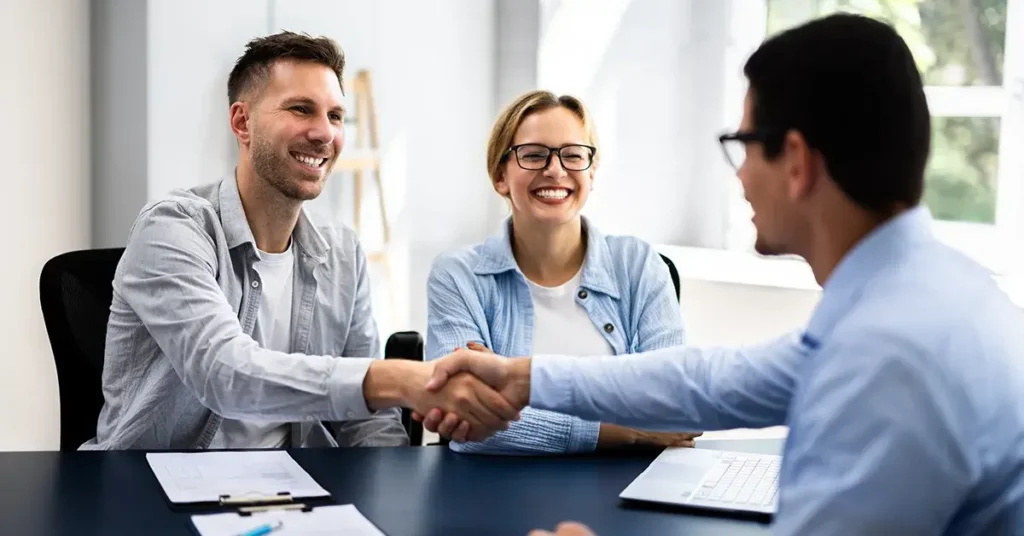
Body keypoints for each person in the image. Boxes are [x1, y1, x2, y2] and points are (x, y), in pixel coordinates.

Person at [424, 14, 1024, 535]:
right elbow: (712, 381)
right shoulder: (929, 294)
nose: (737, 177)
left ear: (795, 163)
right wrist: (520, 377)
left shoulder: (891, 355)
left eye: (743, 144)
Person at [82, 31, 518, 450]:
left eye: (334, 116)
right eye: (300, 109)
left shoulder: (343, 252)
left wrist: (392, 497)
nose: (325, 133)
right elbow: (224, 374)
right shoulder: (173, 228)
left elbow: (367, 423)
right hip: (155, 492)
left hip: (296, 495)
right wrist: (402, 380)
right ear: (242, 122)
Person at [424, 90, 701, 453]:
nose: (555, 170)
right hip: (494, 494)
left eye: (573, 155)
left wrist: (510, 406)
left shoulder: (639, 264)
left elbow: (671, 404)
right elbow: (468, 420)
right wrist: (627, 430)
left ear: (592, 171)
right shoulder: (458, 276)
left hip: (627, 491)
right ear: (500, 175)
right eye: (534, 155)